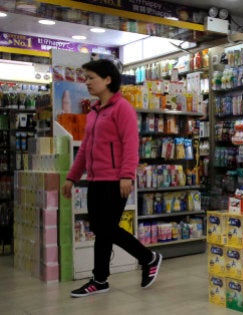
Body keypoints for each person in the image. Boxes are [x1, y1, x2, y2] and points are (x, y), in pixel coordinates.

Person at [62, 59, 162, 298]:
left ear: (107, 79)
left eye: (90, 78)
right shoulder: (94, 112)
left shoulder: (122, 108)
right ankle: (100, 280)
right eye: (86, 78)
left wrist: (127, 175)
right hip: (96, 180)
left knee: (105, 227)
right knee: (101, 229)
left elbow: (131, 144)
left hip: (115, 180)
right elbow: (85, 149)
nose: (87, 82)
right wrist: (72, 177)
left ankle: (148, 257)